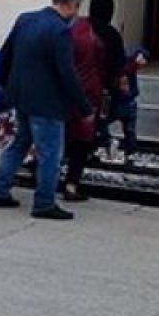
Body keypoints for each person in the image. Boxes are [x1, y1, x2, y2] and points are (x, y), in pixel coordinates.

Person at [0, 0, 92, 220]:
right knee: (50, 154)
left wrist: (2, 84)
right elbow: (67, 73)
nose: (76, 13)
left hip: (21, 96)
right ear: (69, 4)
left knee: (19, 144)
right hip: (48, 103)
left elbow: (6, 53)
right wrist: (84, 107)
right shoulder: (60, 31)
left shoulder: (25, 19)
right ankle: (44, 203)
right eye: (77, 7)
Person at [64, 15, 107, 202]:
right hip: (89, 95)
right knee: (81, 145)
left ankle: (46, 180)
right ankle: (71, 185)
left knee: (60, 140)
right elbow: (107, 66)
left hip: (66, 96)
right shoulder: (98, 40)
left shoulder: (68, 32)